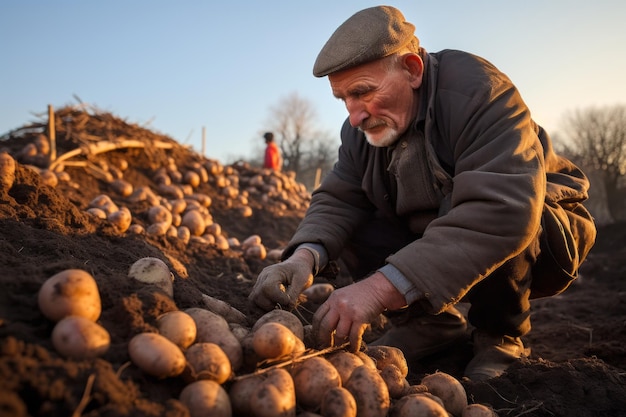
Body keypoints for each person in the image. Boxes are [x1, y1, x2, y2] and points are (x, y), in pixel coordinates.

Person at [249, 6, 596, 381]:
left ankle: (500, 335)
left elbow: (502, 208)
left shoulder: (480, 91)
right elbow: (339, 197)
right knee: (354, 223)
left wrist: (378, 290)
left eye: (363, 92)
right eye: (343, 98)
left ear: (412, 69)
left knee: (511, 213)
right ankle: (431, 326)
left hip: (540, 225)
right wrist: (304, 257)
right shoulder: (359, 131)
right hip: (439, 224)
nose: (354, 116)